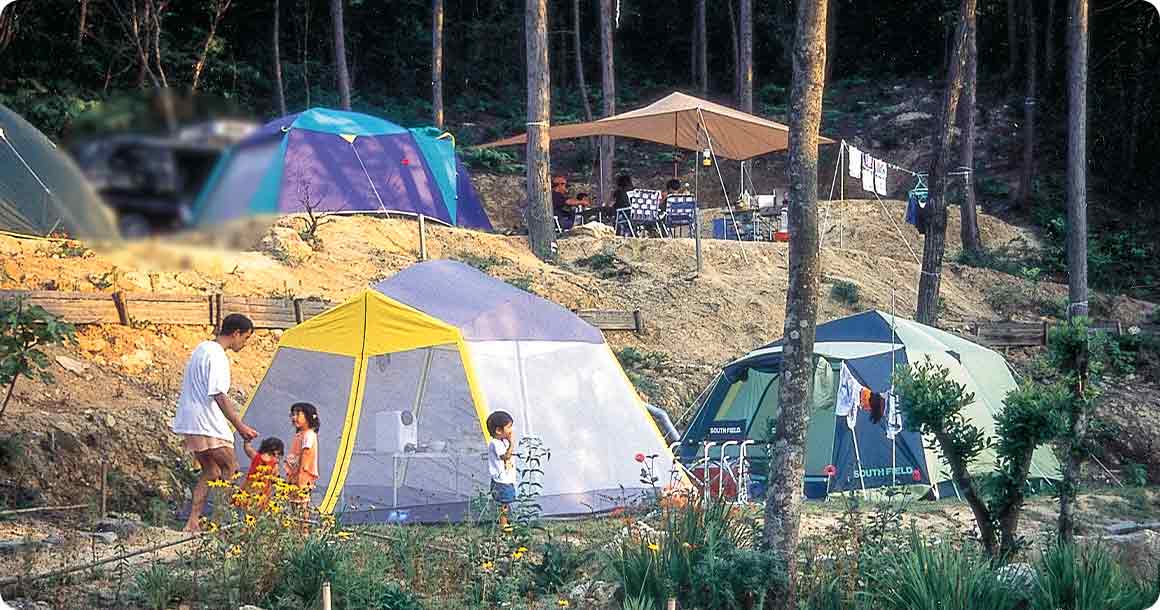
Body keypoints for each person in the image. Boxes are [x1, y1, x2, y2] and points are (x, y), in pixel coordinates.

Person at [172, 313, 259, 533]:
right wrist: (240, 426)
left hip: (189, 419)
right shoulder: (218, 356)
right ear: (236, 333)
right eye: (246, 338)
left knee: (211, 471)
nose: (245, 343)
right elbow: (219, 394)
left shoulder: (201, 349)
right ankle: (221, 522)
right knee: (231, 467)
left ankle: (193, 521)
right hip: (206, 420)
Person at [285, 402, 321, 509]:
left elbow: (306, 455)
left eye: (298, 414)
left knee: (301, 503)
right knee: (294, 503)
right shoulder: (300, 434)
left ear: (308, 416)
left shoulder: (308, 435)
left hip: (302, 475)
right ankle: (297, 524)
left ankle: (303, 525)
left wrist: (300, 476)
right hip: (294, 474)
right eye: (292, 414)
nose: (294, 417)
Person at [486, 410, 517, 529]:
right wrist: (512, 443)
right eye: (509, 427)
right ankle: (503, 525)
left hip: (505, 479)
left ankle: (504, 521)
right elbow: (506, 456)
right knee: (504, 502)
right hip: (501, 481)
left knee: (506, 502)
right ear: (499, 430)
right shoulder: (495, 443)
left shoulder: (502, 442)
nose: (511, 430)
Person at [239, 437, 284, 510]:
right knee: (257, 512)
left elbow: (248, 449)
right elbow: (276, 480)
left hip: (248, 490)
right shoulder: (274, 465)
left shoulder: (256, 456)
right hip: (262, 494)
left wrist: (247, 440)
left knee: (243, 508)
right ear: (277, 454)